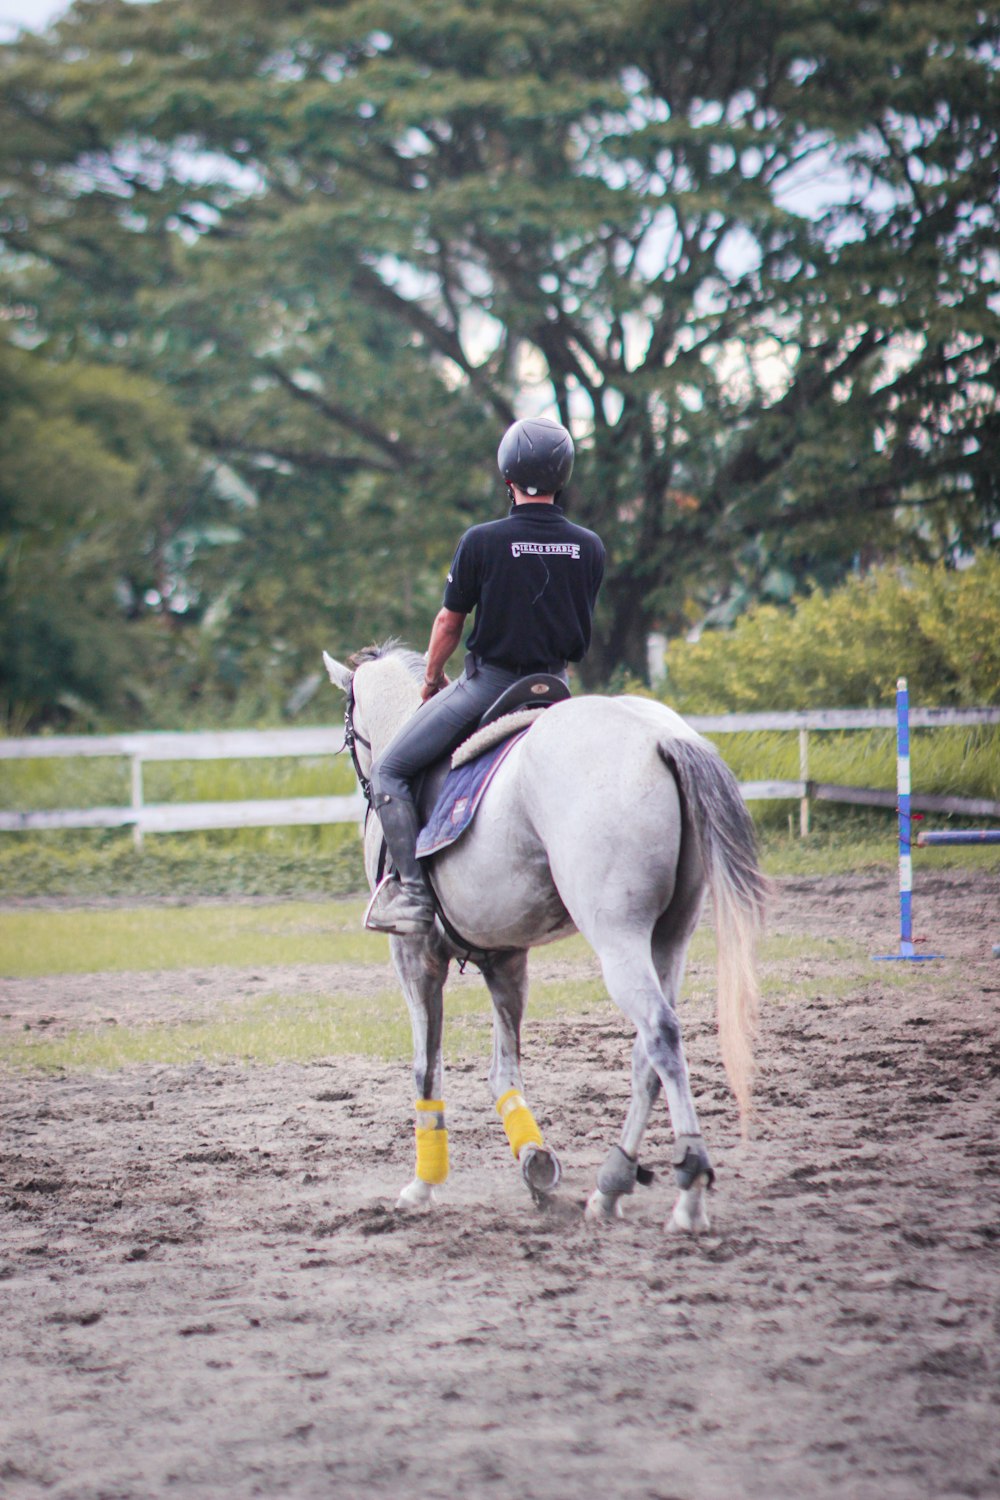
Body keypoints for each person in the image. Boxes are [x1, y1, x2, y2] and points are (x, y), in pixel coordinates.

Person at [366, 415, 606, 935]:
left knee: (389, 771)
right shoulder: (590, 546)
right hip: (558, 690)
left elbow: (449, 622)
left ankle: (411, 895)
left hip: (492, 684)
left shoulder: (481, 541)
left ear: (508, 479)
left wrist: (430, 679)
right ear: (563, 477)